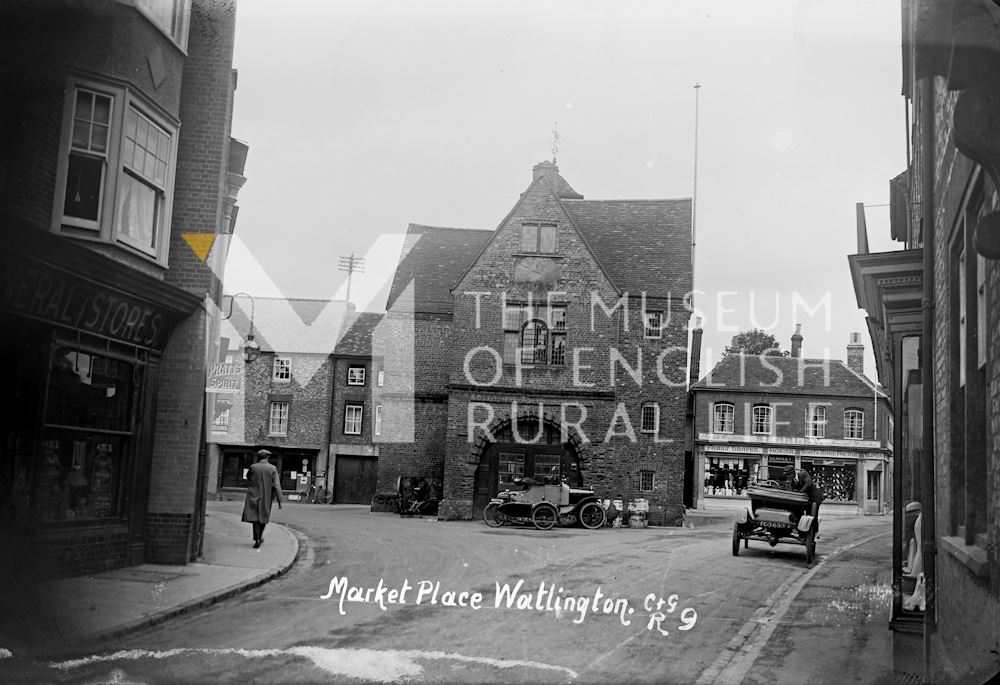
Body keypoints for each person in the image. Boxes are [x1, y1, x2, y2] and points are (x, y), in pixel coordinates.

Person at [241, 449, 283, 548]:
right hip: (266, 496)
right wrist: (280, 500)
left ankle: (257, 538)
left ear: (259, 457)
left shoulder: (253, 467)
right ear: (268, 457)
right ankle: (259, 536)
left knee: (255, 517)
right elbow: (276, 485)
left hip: (253, 494)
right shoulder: (272, 468)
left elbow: (248, 477)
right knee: (263, 516)